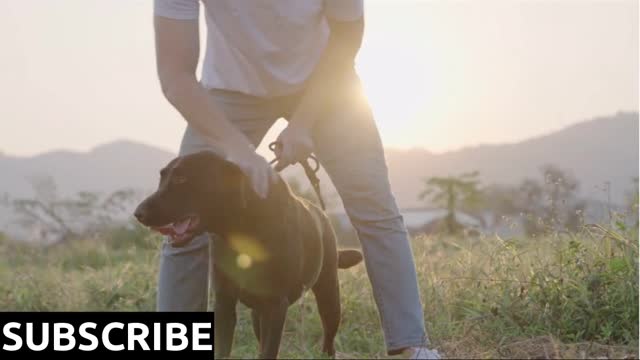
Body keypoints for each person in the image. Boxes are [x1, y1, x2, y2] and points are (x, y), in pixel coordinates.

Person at [152, 1, 440, 359]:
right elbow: (175, 76)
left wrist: (304, 122)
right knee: (186, 213)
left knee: (374, 207)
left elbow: (346, 37)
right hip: (230, 91)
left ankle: (410, 345)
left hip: (327, 83)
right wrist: (236, 149)